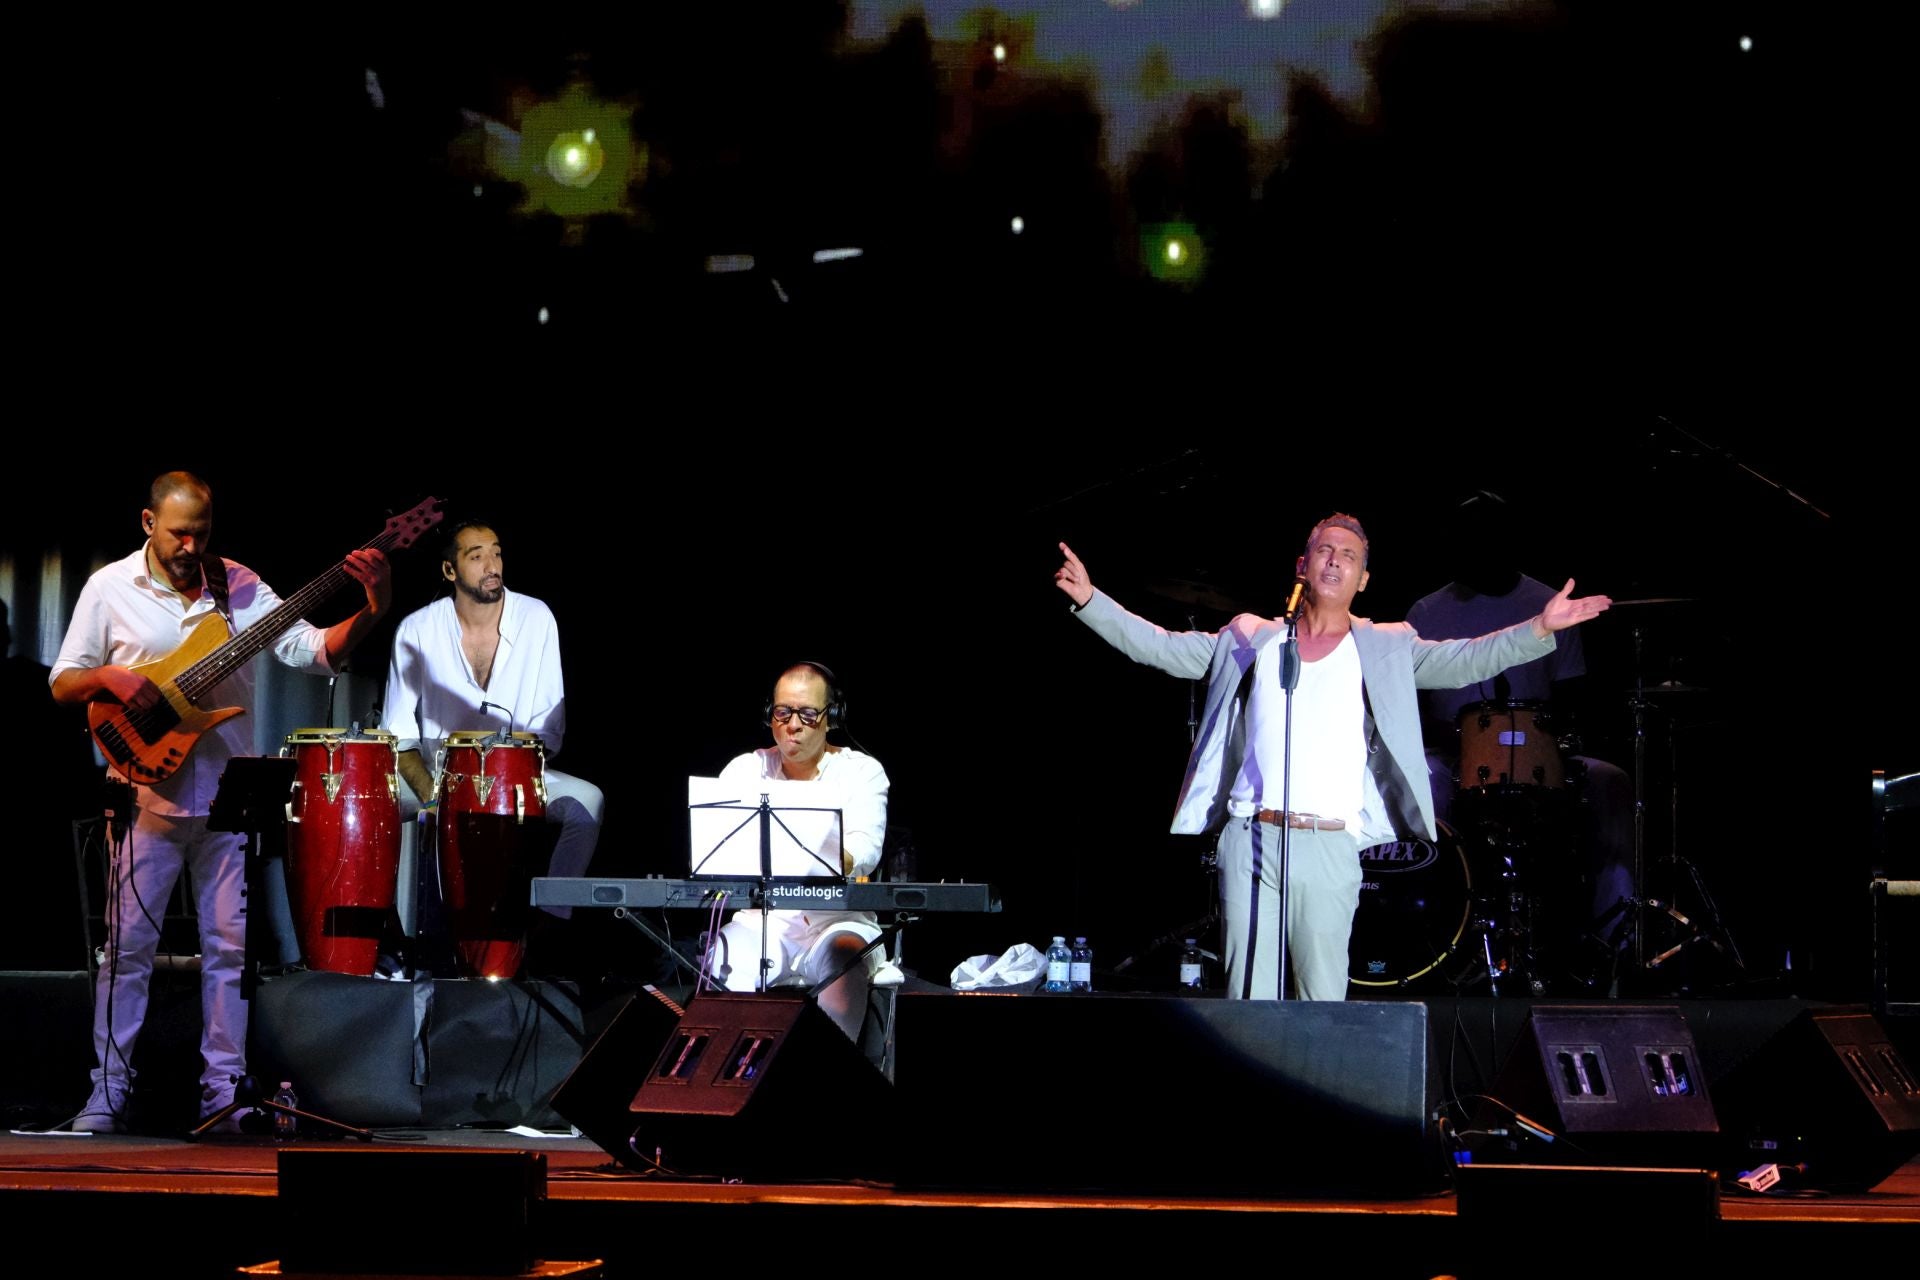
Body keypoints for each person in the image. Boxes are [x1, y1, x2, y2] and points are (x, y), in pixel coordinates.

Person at [1053, 513, 1611, 1001]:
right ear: (1303, 565)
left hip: (1329, 844)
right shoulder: (1252, 638)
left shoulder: (1386, 646)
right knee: (1249, 1003)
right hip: (1251, 838)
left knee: (1320, 1002)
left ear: (1363, 578)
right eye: (1325, 549)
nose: (1335, 559)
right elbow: (1163, 647)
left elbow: (1466, 659)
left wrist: (1539, 627)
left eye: (1349, 554)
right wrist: (1092, 601)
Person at [50, 470, 392, 1132]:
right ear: (149, 523)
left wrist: (373, 607)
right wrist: (114, 676)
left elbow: (312, 651)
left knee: (230, 952)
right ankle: (108, 1092)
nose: (190, 547)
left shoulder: (238, 586)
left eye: (201, 534)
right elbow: (64, 682)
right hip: (144, 795)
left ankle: (223, 1094)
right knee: (127, 952)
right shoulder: (109, 587)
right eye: (179, 533)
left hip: (228, 797)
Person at [1404, 492, 1635, 988]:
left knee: (1610, 782)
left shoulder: (1547, 603)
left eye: (1487, 535)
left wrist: (1550, 735)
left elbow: (1572, 694)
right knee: (1423, 778)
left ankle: (1615, 946)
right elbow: (1407, 703)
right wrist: (1461, 736)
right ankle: (1436, 935)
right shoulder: (1427, 611)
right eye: (1466, 537)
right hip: (1451, 753)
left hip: (1540, 753)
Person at [381, 519, 605, 968]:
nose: (492, 564)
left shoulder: (536, 617)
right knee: (365, 803)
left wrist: (500, 771)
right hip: (438, 777)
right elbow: (399, 738)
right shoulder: (417, 629)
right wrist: (435, 798)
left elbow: (547, 732)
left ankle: (544, 926)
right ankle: (386, 939)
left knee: (588, 804)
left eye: (497, 552)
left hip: (515, 772)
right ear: (450, 570)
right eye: (477, 555)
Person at [704, 661, 896, 1043]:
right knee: (724, 954)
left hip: (838, 919)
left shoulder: (862, 772)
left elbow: (865, 851)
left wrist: (817, 850)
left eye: (808, 713)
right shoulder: (744, 770)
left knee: (845, 955)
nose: (793, 724)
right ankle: (741, 1068)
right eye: (783, 712)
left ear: (832, 718)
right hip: (764, 920)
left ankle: (823, 1072)